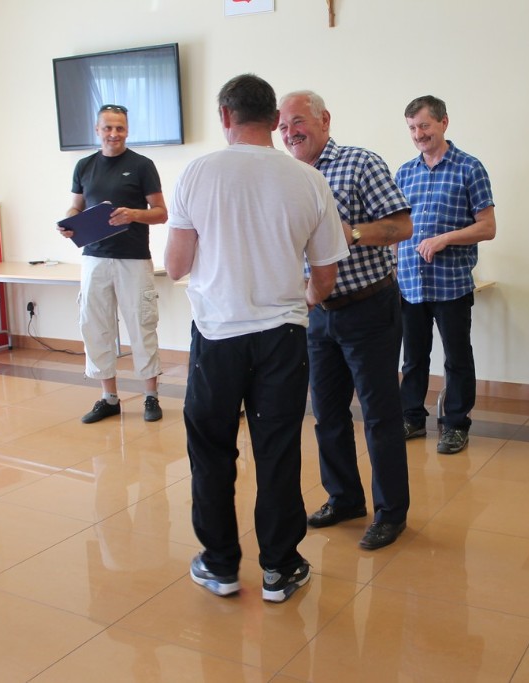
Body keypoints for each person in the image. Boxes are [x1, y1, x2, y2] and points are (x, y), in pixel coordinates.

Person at [166, 74, 347, 602]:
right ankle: (280, 568)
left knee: (211, 450)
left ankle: (220, 565)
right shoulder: (308, 180)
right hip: (281, 338)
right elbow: (326, 275)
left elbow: (176, 266)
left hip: (217, 335)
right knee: (277, 450)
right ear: (273, 119)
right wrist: (300, 302)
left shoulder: (197, 173)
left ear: (225, 116)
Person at [278, 90, 413, 551]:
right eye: (282, 127)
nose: (290, 133)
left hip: (369, 308)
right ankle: (345, 498)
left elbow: (403, 226)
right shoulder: (288, 176)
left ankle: (391, 513)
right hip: (318, 313)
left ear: (324, 120)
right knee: (327, 414)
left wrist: (349, 233)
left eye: (298, 122)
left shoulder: (359, 163)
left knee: (379, 416)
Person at [395, 96, 497, 455]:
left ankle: (455, 425)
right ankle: (411, 418)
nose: (418, 134)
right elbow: (397, 228)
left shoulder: (470, 168)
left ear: (443, 123)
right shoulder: (404, 172)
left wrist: (444, 239)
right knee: (413, 359)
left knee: (456, 358)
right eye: (412, 127)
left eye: (424, 125)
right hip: (410, 284)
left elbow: (488, 227)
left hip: (451, 284)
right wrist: (391, 269)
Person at [59, 104, 166, 424]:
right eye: (108, 128)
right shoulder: (84, 166)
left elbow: (161, 213)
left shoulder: (142, 165)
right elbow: (76, 207)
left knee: (142, 325)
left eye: (120, 128)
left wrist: (133, 214)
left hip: (133, 258)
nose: (114, 134)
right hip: (94, 258)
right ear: (97, 130)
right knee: (95, 325)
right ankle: (109, 398)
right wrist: (68, 223)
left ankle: (151, 396)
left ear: (127, 130)